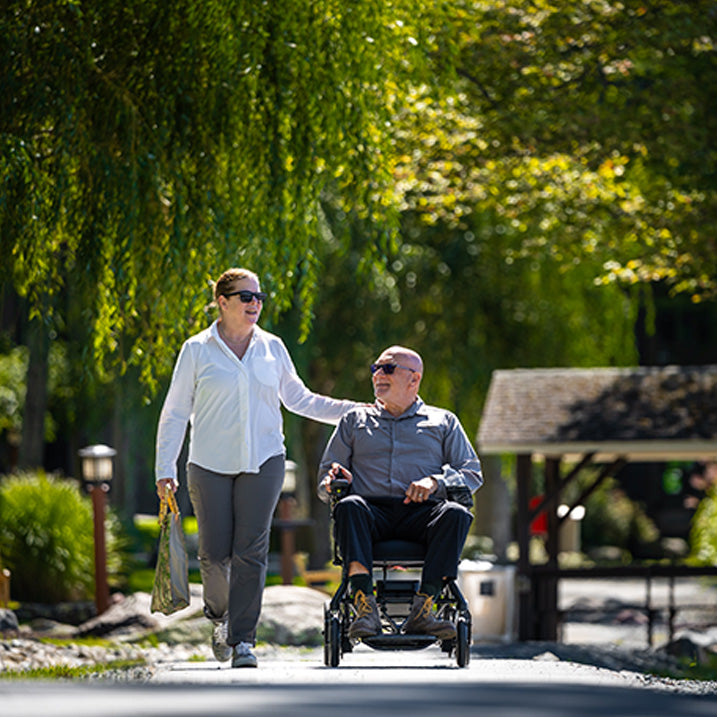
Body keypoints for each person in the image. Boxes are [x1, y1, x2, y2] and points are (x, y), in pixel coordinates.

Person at [155, 267, 355, 668]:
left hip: (264, 461)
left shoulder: (272, 347)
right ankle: (218, 617)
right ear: (223, 302)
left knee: (251, 552)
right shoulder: (196, 349)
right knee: (213, 555)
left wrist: (354, 410)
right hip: (208, 464)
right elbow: (175, 413)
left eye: (260, 296)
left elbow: (300, 399)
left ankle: (243, 639)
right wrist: (165, 468)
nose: (255, 304)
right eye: (246, 297)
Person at [317, 345, 482, 640]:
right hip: (370, 515)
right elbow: (325, 481)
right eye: (376, 369)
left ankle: (425, 609)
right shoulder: (354, 421)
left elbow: (472, 474)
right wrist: (333, 481)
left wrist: (435, 482)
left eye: (388, 369)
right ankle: (365, 610)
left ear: (414, 379)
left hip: (423, 515)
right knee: (349, 506)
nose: (378, 374)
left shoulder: (443, 422)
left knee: (457, 513)